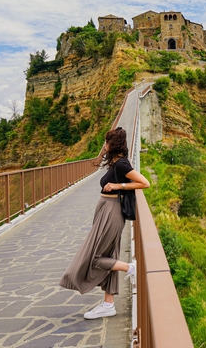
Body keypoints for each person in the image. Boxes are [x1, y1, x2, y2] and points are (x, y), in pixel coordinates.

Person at [59, 127, 150, 319]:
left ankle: (131, 268)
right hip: (106, 211)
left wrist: (119, 185)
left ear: (113, 144)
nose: (104, 146)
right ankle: (108, 305)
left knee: (95, 258)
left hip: (112, 212)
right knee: (110, 256)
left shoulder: (122, 165)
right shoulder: (115, 163)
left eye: (107, 142)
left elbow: (144, 182)